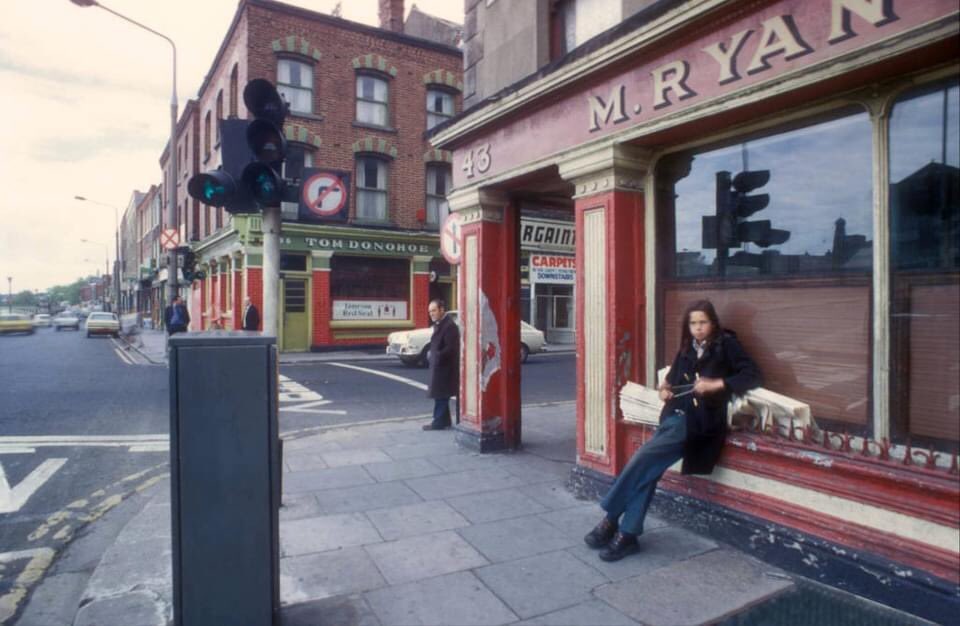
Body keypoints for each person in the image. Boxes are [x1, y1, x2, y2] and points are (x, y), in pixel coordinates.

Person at [583, 299, 761, 562]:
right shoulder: (686, 348)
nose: (698, 328)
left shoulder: (727, 345)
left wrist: (716, 385)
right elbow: (670, 382)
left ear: (713, 323)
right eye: (693, 323)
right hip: (673, 417)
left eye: (703, 322)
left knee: (642, 460)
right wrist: (664, 390)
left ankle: (610, 518)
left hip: (699, 423)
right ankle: (628, 535)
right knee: (648, 471)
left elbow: (753, 375)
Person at [422, 299, 459, 431]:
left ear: (442, 310)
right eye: (430, 311)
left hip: (445, 369)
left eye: (434, 310)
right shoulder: (441, 324)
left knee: (441, 396)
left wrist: (436, 355)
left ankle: (438, 422)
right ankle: (445, 421)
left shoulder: (449, 326)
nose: (431, 314)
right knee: (440, 395)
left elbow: (451, 348)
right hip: (440, 367)